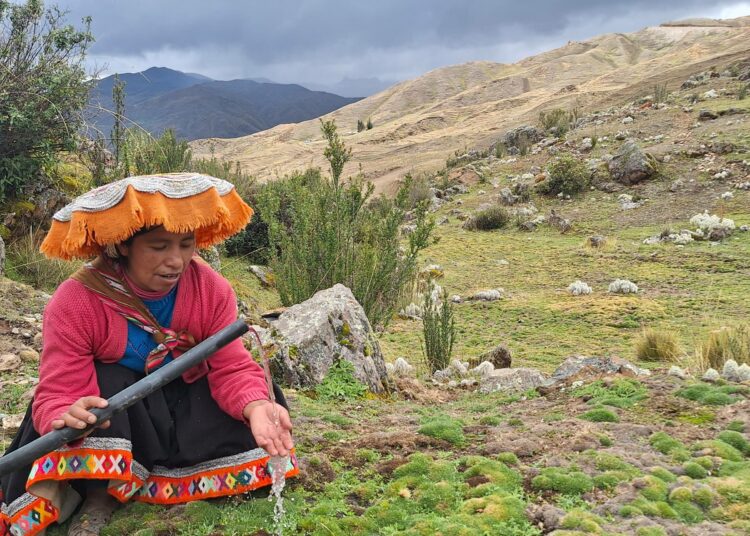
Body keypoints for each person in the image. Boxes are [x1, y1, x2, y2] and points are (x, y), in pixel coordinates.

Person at [0, 173, 297, 536]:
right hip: (122, 415)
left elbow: (231, 367)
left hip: (184, 404)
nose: (176, 261)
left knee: (260, 407)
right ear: (123, 245)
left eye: (186, 244)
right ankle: (100, 495)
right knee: (104, 390)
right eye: (158, 247)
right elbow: (60, 387)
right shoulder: (75, 302)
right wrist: (68, 412)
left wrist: (255, 407)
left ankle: (160, 479)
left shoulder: (211, 290)